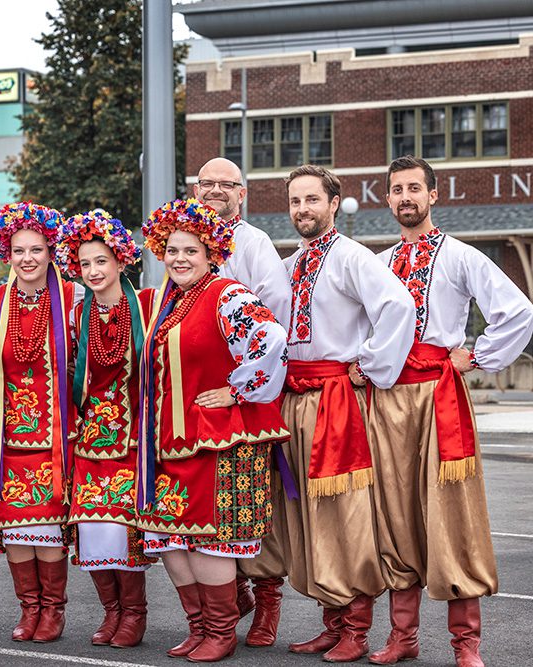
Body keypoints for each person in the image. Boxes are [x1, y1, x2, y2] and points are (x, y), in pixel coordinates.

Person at [367, 156, 533, 667]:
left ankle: (467, 643)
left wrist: (475, 355)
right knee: (395, 515)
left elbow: (518, 310)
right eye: (397, 190)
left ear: (434, 195)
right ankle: (403, 636)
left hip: (440, 395)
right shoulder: (376, 263)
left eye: (414, 188)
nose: (405, 197)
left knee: (452, 514)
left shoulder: (462, 257)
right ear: (389, 199)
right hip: (390, 396)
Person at [137, 198, 290, 662]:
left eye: (191, 251)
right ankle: (200, 625)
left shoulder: (227, 293)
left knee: (208, 537)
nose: (179, 259)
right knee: (168, 536)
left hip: (216, 438)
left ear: (211, 254)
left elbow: (271, 339)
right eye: (172, 250)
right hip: (171, 439)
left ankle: (221, 631)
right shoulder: (171, 301)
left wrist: (237, 390)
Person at [279, 165, 415, 663]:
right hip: (294, 398)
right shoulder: (290, 264)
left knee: (345, 513)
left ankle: (356, 627)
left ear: (334, 203)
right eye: (295, 201)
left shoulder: (352, 256)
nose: (303, 209)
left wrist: (369, 366)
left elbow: (397, 306)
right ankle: (331, 621)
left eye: (312, 199)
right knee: (306, 516)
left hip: (336, 401)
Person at [194, 156, 292, 647]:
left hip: (246, 393)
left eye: (224, 185)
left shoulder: (252, 242)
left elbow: (276, 315)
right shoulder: (188, 243)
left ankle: (266, 600)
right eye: (205, 183)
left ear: (242, 193)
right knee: (210, 503)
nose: (214, 191)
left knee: (253, 504)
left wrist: (243, 383)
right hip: (199, 398)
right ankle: (232, 595)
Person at [55, 209, 152, 648]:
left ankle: (133, 614)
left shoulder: (147, 306)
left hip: (132, 437)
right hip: (91, 436)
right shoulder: (76, 315)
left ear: (121, 261)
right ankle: (111, 612)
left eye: (101, 261)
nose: (93, 271)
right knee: (92, 530)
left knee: (121, 529)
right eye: (85, 264)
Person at [0, 202, 76, 643]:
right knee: (16, 526)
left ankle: (53, 610)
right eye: (19, 250)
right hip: (7, 438)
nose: (27, 259)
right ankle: (30, 608)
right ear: (8, 253)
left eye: (36, 250)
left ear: (50, 251)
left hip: (57, 435)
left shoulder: (73, 299)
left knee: (48, 528)